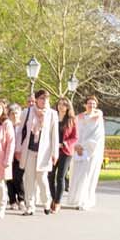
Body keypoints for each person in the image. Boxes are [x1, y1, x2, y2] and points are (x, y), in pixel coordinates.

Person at [18, 89, 60, 217]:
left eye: (46, 98)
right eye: (41, 98)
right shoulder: (27, 112)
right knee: (29, 179)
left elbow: (54, 135)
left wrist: (55, 153)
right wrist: (18, 149)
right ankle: (30, 207)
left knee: (42, 179)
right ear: (36, 99)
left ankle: (46, 203)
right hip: (29, 150)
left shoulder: (52, 114)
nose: (44, 100)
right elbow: (20, 131)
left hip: (44, 152)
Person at [63, 96, 105, 211]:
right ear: (85, 105)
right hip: (77, 150)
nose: (91, 106)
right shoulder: (79, 118)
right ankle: (76, 199)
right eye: (89, 103)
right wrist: (76, 145)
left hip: (90, 152)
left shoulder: (98, 119)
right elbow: (74, 133)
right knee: (77, 175)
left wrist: (84, 146)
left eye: (94, 104)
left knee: (87, 176)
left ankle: (85, 200)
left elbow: (97, 136)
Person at [48, 97, 78, 215]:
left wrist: (64, 143)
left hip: (65, 152)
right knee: (50, 176)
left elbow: (75, 137)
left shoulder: (71, 120)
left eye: (64, 104)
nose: (61, 106)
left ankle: (57, 203)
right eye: (59, 104)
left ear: (68, 107)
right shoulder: (52, 117)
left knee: (60, 177)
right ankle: (53, 198)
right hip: (52, 151)